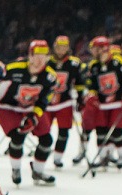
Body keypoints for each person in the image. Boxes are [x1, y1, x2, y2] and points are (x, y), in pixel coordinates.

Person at [0, 40, 57, 185]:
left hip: (30, 108)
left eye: (44, 55)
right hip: (8, 107)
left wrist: (35, 116)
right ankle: (16, 169)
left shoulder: (50, 77)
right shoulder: (14, 68)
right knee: (17, 136)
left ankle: (38, 171)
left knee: (47, 140)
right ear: (30, 55)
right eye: (37, 55)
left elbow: (45, 99)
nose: (40, 59)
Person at [82, 36, 122, 169]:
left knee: (116, 131)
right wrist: (92, 93)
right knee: (100, 130)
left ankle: (121, 155)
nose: (92, 52)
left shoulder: (118, 60)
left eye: (95, 49)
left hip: (117, 102)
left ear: (103, 49)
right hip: (101, 104)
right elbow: (91, 83)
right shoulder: (93, 65)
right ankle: (103, 157)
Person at [47, 35, 86, 168]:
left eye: (64, 47)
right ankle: (42, 153)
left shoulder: (74, 63)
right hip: (46, 103)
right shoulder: (47, 62)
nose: (61, 49)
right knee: (43, 131)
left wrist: (80, 98)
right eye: (59, 47)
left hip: (64, 103)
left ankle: (58, 158)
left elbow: (79, 82)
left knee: (64, 131)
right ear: (55, 47)